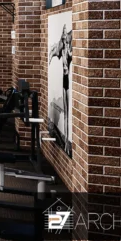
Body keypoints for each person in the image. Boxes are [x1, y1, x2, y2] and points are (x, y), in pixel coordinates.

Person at [49, 24, 73, 154]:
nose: (64, 38)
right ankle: (65, 143)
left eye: (65, 36)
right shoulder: (61, 50)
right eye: (63, 36)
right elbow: (52, 53)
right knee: (65, 109)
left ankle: (67, 141)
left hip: (67, 81)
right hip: (64, 81)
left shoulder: (68, 52)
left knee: (67, 111)